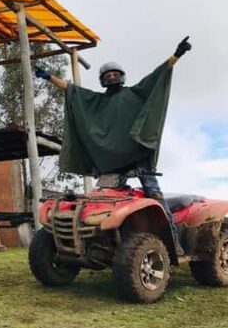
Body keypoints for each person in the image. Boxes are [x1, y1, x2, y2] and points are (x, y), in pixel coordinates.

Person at [34, 36, 192, 253]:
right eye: (107, 76)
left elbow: (157, 77)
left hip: (138, 159)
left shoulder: (134, 94)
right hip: (112, 165)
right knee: (101, 203)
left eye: (115, 74)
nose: (111, 77)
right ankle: (101, 244)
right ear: (102, 81)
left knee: (155, 195)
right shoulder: (97, 101)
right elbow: (72, 90)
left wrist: (177, 55)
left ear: (122, 77)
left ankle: (174, 241)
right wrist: (48, 77)